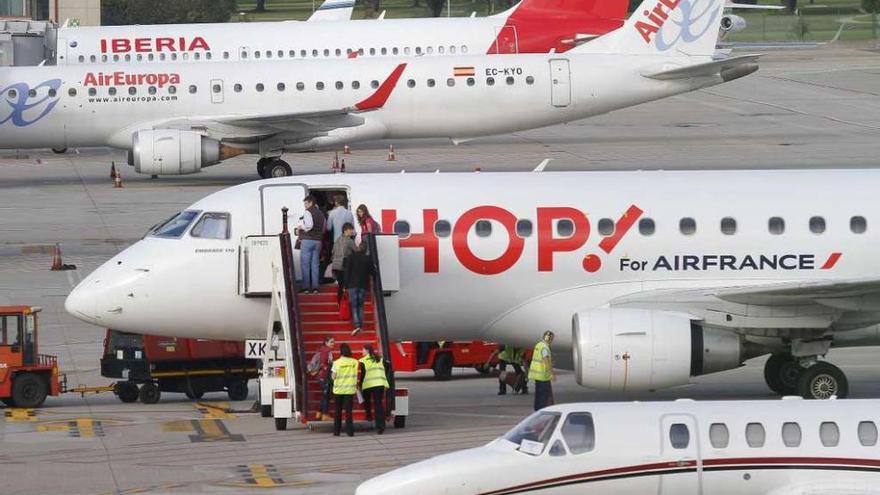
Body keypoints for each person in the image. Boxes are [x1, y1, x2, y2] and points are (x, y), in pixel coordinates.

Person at [296, 195, 326, 294]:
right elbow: (324, 228)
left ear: (310, 203)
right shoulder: (321, 214)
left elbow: (309, 226)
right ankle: (315, 287)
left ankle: (305, 287)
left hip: (308, 240)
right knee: (315, 265)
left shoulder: (308, 212)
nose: (305, 205)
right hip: (318, 241)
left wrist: (301, 227)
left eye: (306, 203)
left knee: (305, 264)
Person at [358, 344, 390, 434]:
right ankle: (381, 426)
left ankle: (368, 415)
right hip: (380, 384)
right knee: (378, 405)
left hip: (369, 384)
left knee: (366, 399)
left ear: (367, 350)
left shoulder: (364, 361)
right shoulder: (379, 358)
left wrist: (360, 385)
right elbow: (388, 365)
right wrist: (384, 374)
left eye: (363, 350)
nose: (362, 352)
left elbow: (363, 375)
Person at [344, 242, 374, 336]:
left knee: (354, 305)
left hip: (352, 285)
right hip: (363, 286)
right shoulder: (368, 259)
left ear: (358, 248)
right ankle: (360, 325)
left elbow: (347, 272)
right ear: (366, 250)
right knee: (360, 306)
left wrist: (345, 285)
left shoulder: (351, 257)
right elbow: (373, 272)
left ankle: (357, 325)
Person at [331, 343, 359, 436]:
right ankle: (350, 432)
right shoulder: (355, 362)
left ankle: (336, 431)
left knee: (338, 411)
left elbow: (333, 377)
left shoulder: (336, 363)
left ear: (341, 352)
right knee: (348, 412)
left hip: (338, 390)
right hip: (350, 390)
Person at [309, 337, 335, 421]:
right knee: (326, 395)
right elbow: (325, 365)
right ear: (326, 342)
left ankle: (319, 413)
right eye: (331, 342)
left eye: (333, 342)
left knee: (325, 395)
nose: (333, 344)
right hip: (324, 377)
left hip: (320, 376)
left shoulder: (321, 350)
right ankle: (324, 415)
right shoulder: (327, 351)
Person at [528, 331, 555, 411]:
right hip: (543, 376)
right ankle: (541, 410)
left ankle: (537, 410)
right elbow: (546, 360)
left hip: (537, 375)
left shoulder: (539, 345)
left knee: (538, 395)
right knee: (544, 396)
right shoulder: (544, 347)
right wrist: (551, 373)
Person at [331, 222, 356, 303]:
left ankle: (340, 303)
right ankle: (342, 303)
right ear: (345, 230)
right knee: (344, 285)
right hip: (343, 266)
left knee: (341, 284)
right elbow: (357, 251)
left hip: (335, 265)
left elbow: (333, 252)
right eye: (351, 230)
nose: (352, 231)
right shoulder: (350, 241)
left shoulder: (337, 239)